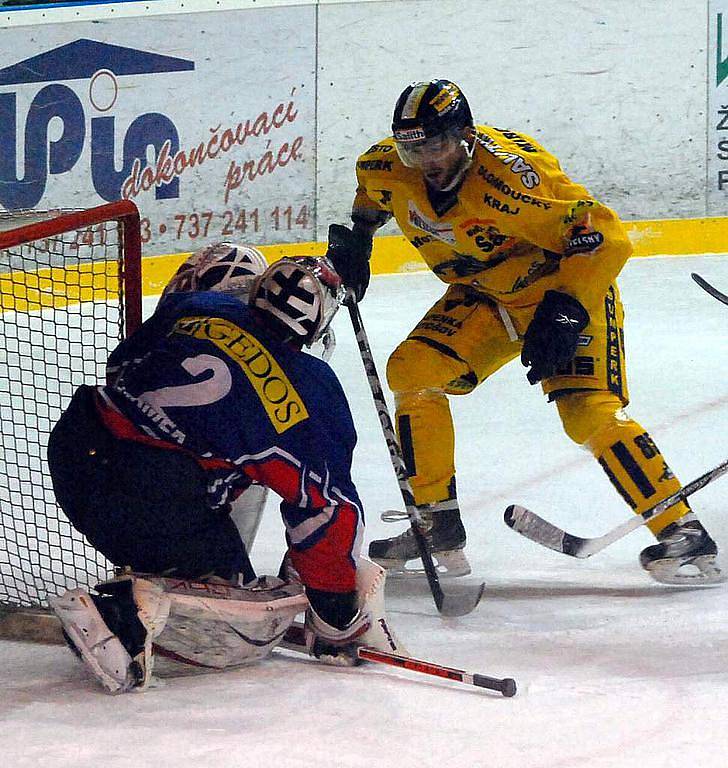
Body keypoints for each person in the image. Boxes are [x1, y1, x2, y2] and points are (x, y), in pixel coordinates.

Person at [326, 78, 721, 585]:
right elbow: (372, 194)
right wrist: (359, 237)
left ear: (465, 137)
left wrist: (564, 310)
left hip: (561, 290)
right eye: (413, 148)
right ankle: (436, 522)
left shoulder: (514, 180)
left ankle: (682, 531)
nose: (427, 161)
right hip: (485, 297)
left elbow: (606, 237)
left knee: (587, 413)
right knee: (413, 370)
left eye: (438, 145)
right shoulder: (385, 166)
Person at [47, 243, 403, 693]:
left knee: (212, 548)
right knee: (240, 627)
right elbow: (325, 509)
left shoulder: (199, 304)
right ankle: (120, 615)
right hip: (157, 494)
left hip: (78, 445)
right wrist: (335, 614)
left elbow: (123, 364)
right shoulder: (314, 388)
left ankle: (150, 577)